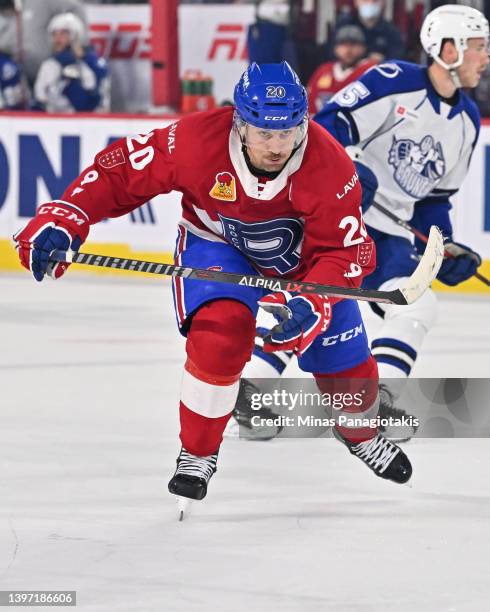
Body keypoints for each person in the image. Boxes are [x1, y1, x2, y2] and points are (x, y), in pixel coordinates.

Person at [14, 61, 413, 503]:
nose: (277, 145)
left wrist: (315, 301)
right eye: (264, 133)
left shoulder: (330, 165)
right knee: (220, 336)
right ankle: (197, 453)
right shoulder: (195, 139)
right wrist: (68, 214)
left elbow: (342, 252)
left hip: (303, 266)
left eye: (287, 132)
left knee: (348, 376)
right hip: (219, 245)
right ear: (239, 124)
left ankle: (359, 436)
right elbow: (120, 171)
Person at [236, 5, 487, 439]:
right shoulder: (393, 82)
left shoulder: (466, 123)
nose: (485, 58)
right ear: (449, 49)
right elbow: (324, 131)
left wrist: (441, 246)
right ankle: (251, 390)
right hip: (337, 215)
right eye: (479, 48)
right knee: (315, 300)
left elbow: (433, 202)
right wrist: (350, 171)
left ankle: (373, 401)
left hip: (388, 236)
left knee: (417, 304)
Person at [33, 12, 109, 113]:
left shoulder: (93, 63)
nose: (57, 39)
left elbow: (96, 101)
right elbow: (40, 97)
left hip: (90, 122)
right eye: (54, 34)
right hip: (55, 122)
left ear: (75, 35)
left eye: (63, 33)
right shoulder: (49, 65)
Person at [307, 25, 377, 114]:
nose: (348, 50)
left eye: (353, 45)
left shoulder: (371, 71)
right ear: (335, 48)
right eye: (343, 45)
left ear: (363, 48)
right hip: (322, 125)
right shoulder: (323, 71)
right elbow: (309, 104)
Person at [331, 0, 406, 62]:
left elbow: (398, 60)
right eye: (365, 0)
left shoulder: (392, 32)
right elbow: (331, 53)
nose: (370, 4)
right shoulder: (344, 25)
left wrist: (383, 61)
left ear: (383, 2)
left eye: (375, 1)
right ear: (356, 2)